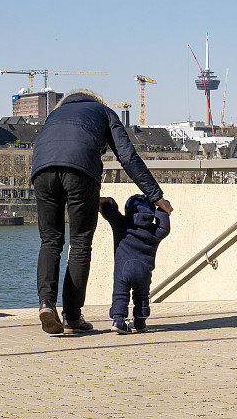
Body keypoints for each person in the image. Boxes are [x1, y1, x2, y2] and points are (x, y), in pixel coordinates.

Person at [31, 90, 173, 335]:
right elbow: (127, 156)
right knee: (80, 244)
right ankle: (72, 316)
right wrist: (156, 195)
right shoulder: (105, 112)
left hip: (41, 171)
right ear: (98, 101)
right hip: (81, 172)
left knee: (50, 240)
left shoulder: (54, 115)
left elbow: (51, 150)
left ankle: (46, 304)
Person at [99, 194, 170, 334]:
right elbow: (165, 228)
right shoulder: (155, 231)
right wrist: (163, 208)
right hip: (144, 271)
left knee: (120, 294)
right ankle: (140, 321)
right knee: (142, 295)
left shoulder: (121, 224)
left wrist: (109, 201)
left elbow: (108, 211)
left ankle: (118, 321)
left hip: (123, 269)